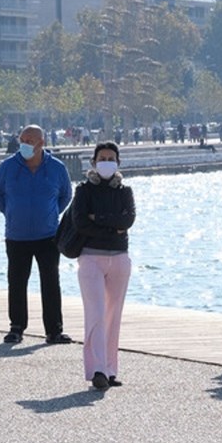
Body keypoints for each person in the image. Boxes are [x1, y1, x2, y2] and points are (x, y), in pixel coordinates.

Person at [0, 125, 73, 344]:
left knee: (50, 282)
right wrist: (11, 213)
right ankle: (16, 327)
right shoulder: (7, 167)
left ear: (41, 143)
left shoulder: (56, 167)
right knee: (16, 282)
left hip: (48, 236)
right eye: (22, 139)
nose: (25, 143)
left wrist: (50, 214)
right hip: (16, 236)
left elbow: (66, 196)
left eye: (30, 140)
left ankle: (54, 330)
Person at [71, 142, 136, 390]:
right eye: (102, 158)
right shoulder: (84, 191)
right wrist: (112, 223)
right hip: (91, 258)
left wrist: (97, 218)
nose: (106, 161)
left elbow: (128, 219)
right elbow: (80, 223)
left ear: (118, 162)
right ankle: (97, 369)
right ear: (94, 162)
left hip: (119, 257)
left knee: (113, 315)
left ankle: (110, 369)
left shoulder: (125, 191)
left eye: (111, 158)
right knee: (96, 313)